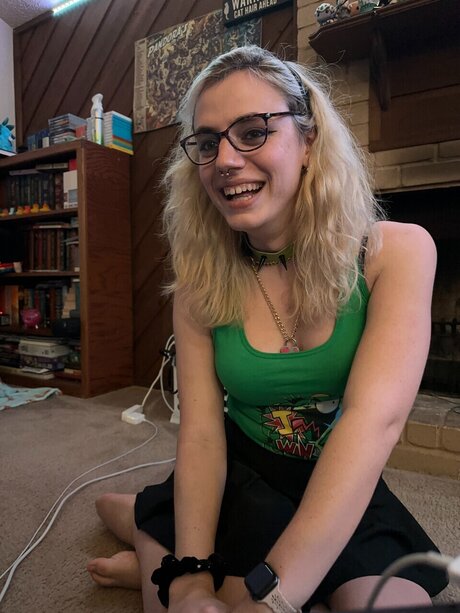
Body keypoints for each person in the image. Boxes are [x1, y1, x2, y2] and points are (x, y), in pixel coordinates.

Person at [87, 45, 448, 612]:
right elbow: (201, 434)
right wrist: (189, 579)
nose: (225, 161)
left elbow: (373, 424)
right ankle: (148, 528)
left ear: (308, 141)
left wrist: (272, 600)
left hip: (338, 480)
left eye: (253, 132)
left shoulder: (398, 252)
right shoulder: (199, 284)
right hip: (240, 473)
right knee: (188, 594)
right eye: (208, 143)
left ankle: (146, 538)